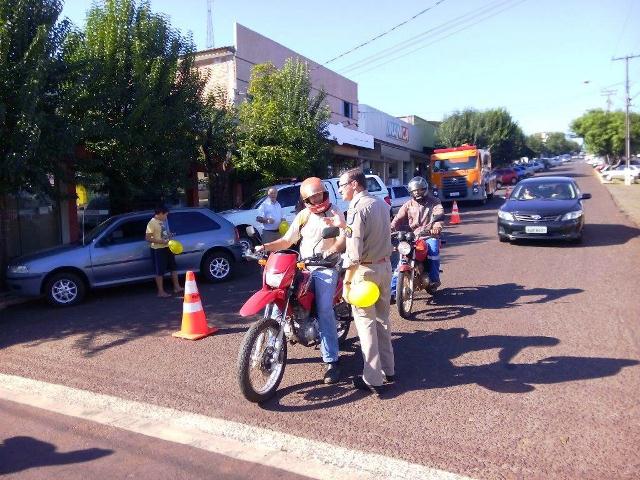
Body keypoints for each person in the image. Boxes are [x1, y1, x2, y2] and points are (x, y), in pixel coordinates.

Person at [254, 177, 345, 384]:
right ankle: (273, 345)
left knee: (324, 310)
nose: (318, 198)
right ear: (306, 200)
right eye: (313, 196)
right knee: (280, 299)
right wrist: (265, 248)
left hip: (326, 267)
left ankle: (331, 361)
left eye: (319, 194)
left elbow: (343, 237)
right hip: (304, 265)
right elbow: (287, 240)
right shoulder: (304, 215)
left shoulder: (335, 212)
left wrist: (331, 250)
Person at [326, 168, 394, 395]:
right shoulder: (381, 204)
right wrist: (342, 225)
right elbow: (366, 233)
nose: (340, 190)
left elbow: (354, 251)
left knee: (365, 326)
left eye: (342, 185)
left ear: (354, 184)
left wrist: (345, 276)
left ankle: (372, 379)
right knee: (382, 321)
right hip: (385, 267)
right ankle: (388, 368)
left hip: (365, 271)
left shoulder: (357, 207)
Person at [389, 176, 444, 301]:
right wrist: (390, 229)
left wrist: (436, 227)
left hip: (429, 235)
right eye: (414, 191)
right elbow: (397, 219)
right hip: (411, 237)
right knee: (401, 260)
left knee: (433, 249)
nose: (417, 193)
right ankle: (393, 291)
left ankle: (434, 279)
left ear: (425, 189)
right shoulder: (408, 204)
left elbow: (439, 215)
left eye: (419, 190)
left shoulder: (434, 202)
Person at [145, 205, 183, 298]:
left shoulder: (162, 222)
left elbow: (162, 234)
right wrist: (161, 241)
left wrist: (169, 235)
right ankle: (161, 292)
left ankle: (177, 287)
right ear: (160, 214)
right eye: (166, 215)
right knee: (160, 271)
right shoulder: (152, 223)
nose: (166, 217)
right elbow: (148, 238)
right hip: (158, 249)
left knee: (173, 267)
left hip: (167, 246)